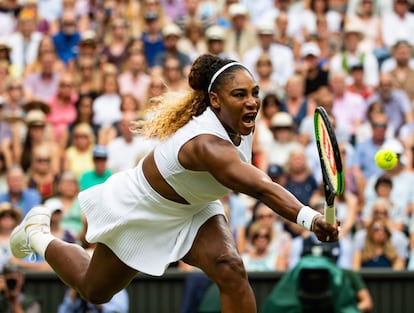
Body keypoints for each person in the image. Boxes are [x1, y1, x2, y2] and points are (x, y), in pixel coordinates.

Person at [9, 54, 338, 312]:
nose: (252, 101)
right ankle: (37, 234)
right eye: (240, 94)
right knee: (94, 289)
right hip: (144, 207)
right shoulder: (207, 145)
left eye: (255, 93)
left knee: (231, 268)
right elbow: (261, 186)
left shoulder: (241, 121)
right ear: (215, 100)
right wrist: (310, 218)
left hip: (195, 207)